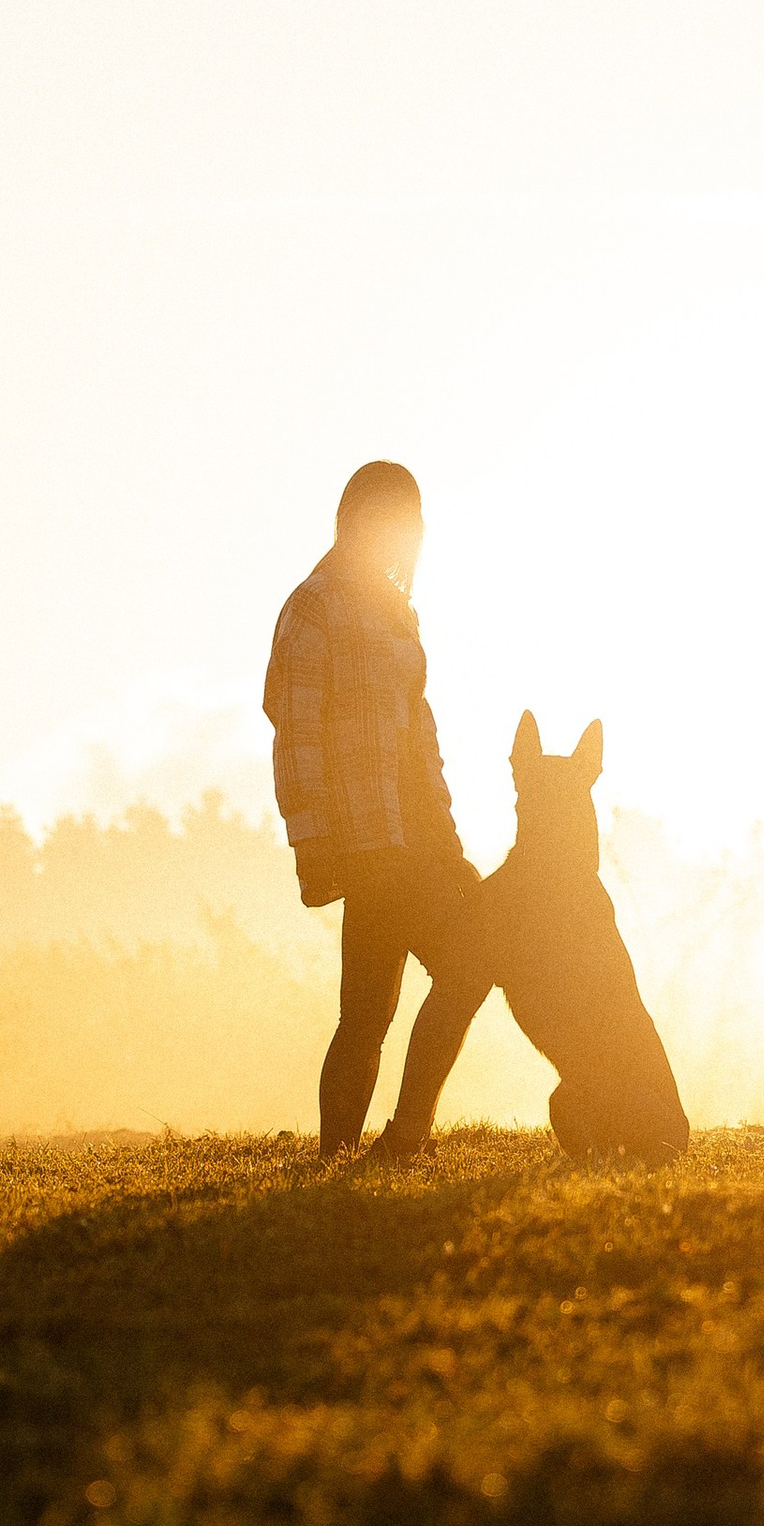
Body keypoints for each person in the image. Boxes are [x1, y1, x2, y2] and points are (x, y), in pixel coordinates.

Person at [263, 460, 490, 1158]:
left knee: (440, 979)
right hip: (367, 841)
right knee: (376, 1008)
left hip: (413, 837)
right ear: (360, 519)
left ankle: (384, 1140)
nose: (408, 537)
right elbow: (295, 730)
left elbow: (418, 738)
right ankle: (365, 1146)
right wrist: (312, 839)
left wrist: (447, 836)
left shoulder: (396, 612)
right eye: (398, 521)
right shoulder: (317, 605)